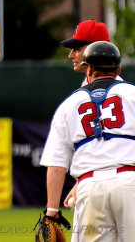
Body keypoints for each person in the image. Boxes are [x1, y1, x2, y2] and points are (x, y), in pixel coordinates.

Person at [40, 41, 135, 241]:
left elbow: (57, 165)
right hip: (131, 182)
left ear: (88, 69)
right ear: (118, 69)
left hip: (89, 187)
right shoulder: (132, 94)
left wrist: (51, 211)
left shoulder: (68, 104)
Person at [60, 19, 122, 86]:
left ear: (96, 49)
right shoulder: (88, 83)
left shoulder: (119, 91)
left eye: (77, 49)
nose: (70, 56)